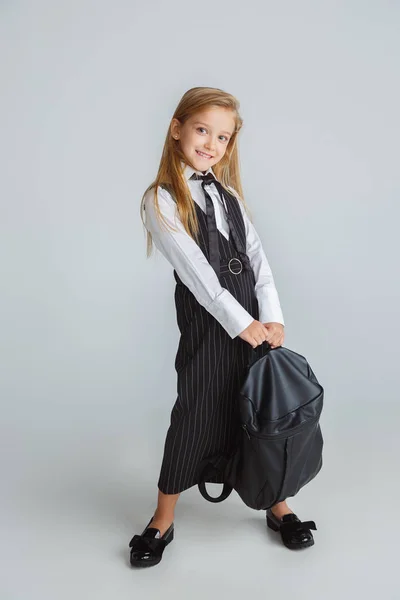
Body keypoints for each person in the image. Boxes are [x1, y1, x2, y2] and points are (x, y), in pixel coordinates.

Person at [129, 86, 315, 568]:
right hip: (212, 327)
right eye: (202, 130)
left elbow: (257, 260)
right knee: (196, 412)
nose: (211, 143)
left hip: (254, 323)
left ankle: (278, 504)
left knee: (262, 413)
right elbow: (196, 272)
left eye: (223, 137)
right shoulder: (161, 199)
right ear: (177, 129)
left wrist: (270, 316)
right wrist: (241, 322)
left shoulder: (228, 195)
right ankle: (162, 519)